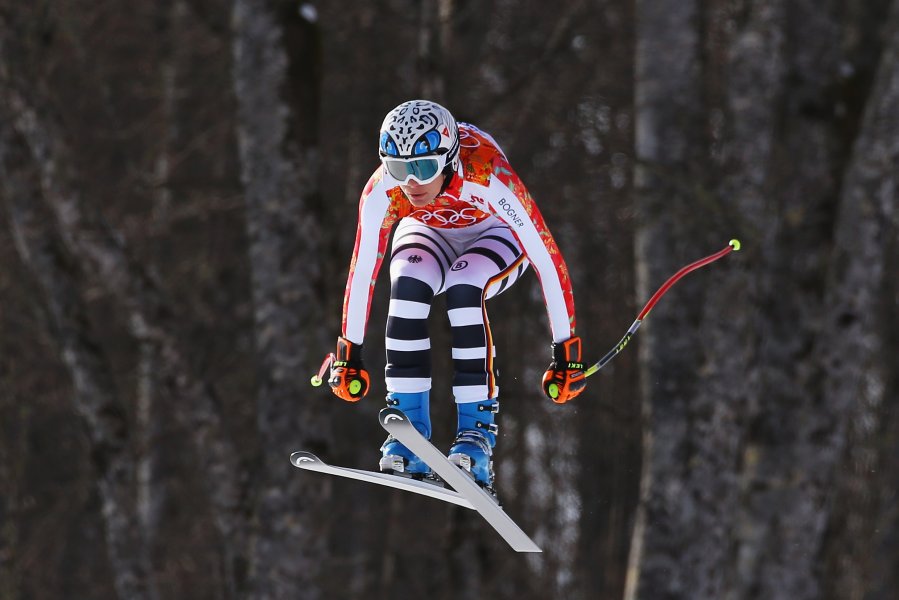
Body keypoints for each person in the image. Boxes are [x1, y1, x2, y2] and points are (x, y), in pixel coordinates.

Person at [327, 99, 586, 493]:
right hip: (428, 233)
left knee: (465, 290)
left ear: (447, 158)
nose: (411, 183)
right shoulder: (384, 191)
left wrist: (566, 350)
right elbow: (363, 269)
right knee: (408, 287)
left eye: (424, 168)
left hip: (494, 232)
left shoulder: (486, 175)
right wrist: (350, 353)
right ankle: (408, 430)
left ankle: (475, 439)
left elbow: (545, 256)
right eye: (398, 169)